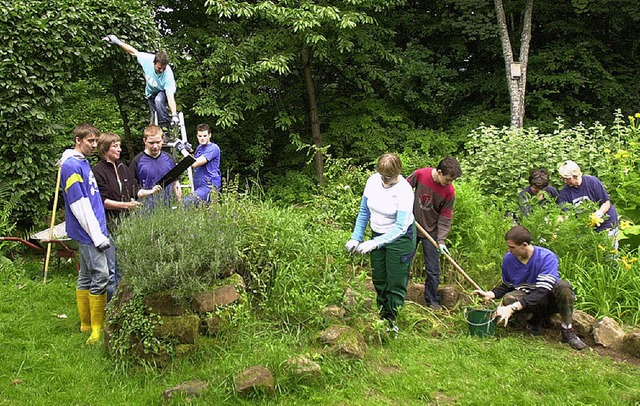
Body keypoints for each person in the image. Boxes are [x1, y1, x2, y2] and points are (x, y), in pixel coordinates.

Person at [473, 225, 587, 351]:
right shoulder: (508, 259)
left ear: (524, 245)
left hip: (548, 299)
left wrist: (512, 308)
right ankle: (534, 320)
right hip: (529, 299)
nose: (509, 250)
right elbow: (507, 286)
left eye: (512, 247)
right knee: (509, 298)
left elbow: (542, 291)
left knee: (563, 286)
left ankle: (567, 329)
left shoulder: (547, 257)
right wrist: (491, 294)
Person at [345, 153, 416, 333]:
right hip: (377, 233)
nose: (386, 181)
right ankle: (382, 317)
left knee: (395, 281)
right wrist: (356, 237)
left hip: (400, 239)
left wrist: (375, 243)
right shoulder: (373, 182)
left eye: (389, 177)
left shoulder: (404, 190)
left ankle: (392, 323)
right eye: (383, 176)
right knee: (379, 279)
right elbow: (364, 212)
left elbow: (400, 226)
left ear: (397, 172)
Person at [93, 132, 162, 302]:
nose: (119, 149)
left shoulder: (122, 167)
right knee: (110, 269)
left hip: (126, 223)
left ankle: (122, 307)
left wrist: (150, 192)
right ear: (105, 148)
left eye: (119, 145)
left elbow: (134, 190)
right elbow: (102, 201)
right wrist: (126, 205)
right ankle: (109, 308)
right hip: (108, 224)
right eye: (115, 146)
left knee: (123, 266)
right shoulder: (97, 171)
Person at [58, 123, 110, 345]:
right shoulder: (71, 166)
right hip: (88, 232)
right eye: (91, 141)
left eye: (96, 141)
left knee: (86, 276)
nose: (94, 145)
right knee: (102, 275)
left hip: (93, 229)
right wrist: (97, 235)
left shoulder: (82, 162)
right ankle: (97, 330)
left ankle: (86, 324)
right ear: (78, 141)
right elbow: (79, 204)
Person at [406, 157, 462, 310]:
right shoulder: (420, 175)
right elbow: (402, 189)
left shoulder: (449, 192)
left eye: (452, 180)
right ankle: (400, 295)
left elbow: (445, 218)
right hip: (411, 225)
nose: (449, 183)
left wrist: (441, 241)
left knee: (433, 269)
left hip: (432, 232)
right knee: (404, 262)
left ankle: (432, 301)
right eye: (448, 179)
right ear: (439, 172)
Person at [102, 34, 179, 129]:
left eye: (163, 68)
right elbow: (133, 51)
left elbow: (170, 97)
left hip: (162, 92)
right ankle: (159, 133)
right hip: (150, 93)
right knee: (153, 118)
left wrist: (174, 115)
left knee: (158, 101)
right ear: (154, 63)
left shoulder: (168, 74)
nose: (161, 70)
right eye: (159, 68)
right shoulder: (147, 59)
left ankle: (165, 126)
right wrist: (117, 41)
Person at [557, 160, 618, 243]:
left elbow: (606, 203)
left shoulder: (592, 182)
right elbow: (568, 216)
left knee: (610, 252)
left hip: (607, 225)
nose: (565, 182)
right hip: (586, 230)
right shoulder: (564, 194)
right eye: (563, 179)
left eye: (567, 179)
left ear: (575, 175)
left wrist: (598, 214)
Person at [129, 125, 182, 207]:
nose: (155, 146)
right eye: (151, 143)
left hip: (167, 208)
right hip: (145, 210)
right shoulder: (136, 161)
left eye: (158, 142)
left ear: (163, 140)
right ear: (145, 141)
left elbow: (175, 183)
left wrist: (180, 203)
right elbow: (131, 189)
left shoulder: (169, 158)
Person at [184, 123, 221, 206]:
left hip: (209, 186)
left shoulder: (213, 148)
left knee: (187, 202)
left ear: (209, 135)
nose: (202, 138)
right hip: (198, 184)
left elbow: (195, 163)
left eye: (204, 136)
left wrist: (182, 151)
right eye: (200, 136)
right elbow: (194, 158)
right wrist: (190, 151)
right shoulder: (199, 148)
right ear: (197, 136)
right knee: (201, 213)